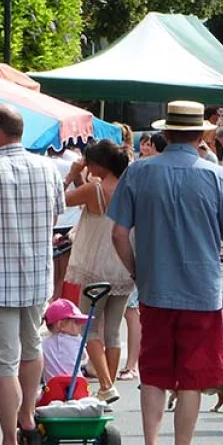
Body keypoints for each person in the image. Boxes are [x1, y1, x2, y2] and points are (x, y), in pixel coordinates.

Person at [109, 100, 223, 445]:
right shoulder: (216, 176)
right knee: (191, 381)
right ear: (202, 134)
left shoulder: (139, 173)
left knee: (152, 374)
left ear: (165, 133)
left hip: (154, 288)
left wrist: (137, 269)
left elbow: (118, 234)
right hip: (201, 291)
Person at [0, 104, 65, 445]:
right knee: (31, 347)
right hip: (37, 274)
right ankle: (28, 418)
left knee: (4, 360)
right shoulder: (47, 168)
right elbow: (55, 215)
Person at [64, 140, 134, 403]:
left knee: (89, 328)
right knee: (113, 330)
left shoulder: (94, 189)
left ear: (98, 164)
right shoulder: (129, 186)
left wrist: (72, 175)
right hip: (124, 263)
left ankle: (106, 383)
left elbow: (57, 200)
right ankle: (108, 386)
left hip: (96, 265)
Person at [41, 299, 89, 384]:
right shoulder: (77, 340)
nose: (80, 325)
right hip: (76, 386)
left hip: (53, 388)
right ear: (61, 325)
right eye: (76, 322)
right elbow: (84, 356)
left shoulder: (44, 343)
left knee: (37, 394)